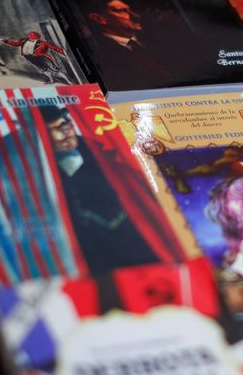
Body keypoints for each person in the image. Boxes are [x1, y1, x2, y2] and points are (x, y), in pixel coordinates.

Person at [42, 105, 158, 273]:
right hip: (89, 252)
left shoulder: (102, 152)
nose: (66, 131)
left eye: (66, 124)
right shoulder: (37, 169)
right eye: (56, 128)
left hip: (134, 236)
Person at [86, 0, 168, 86]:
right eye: (121, 11)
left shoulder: (157, 39)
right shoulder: (95, 51)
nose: (136, 16)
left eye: (130, 10)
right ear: (99, 19)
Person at [0, 31, 69, 84]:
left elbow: (54, 48)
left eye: (35, 38)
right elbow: (15, 44)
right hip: (31, 58)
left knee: (55, 70)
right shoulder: (23, 40)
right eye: (31, 38)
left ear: (37, 38)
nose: (33, 39)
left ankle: (68, 81)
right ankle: (51, 80)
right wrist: (4, 41)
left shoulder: (43, 43)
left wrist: (64, 52)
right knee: (44, 70)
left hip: (42, 58)